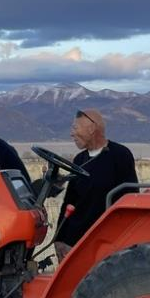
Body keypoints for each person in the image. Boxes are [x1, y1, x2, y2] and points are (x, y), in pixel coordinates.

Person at [52, 108, 137, 260]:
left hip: (106, 240)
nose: (72, 133)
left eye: (75, 128)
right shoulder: (79, 160)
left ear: (91, 129)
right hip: (75, 241)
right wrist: (59, 238)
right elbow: (69, 200)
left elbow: (130, 199)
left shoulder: (120, 155)